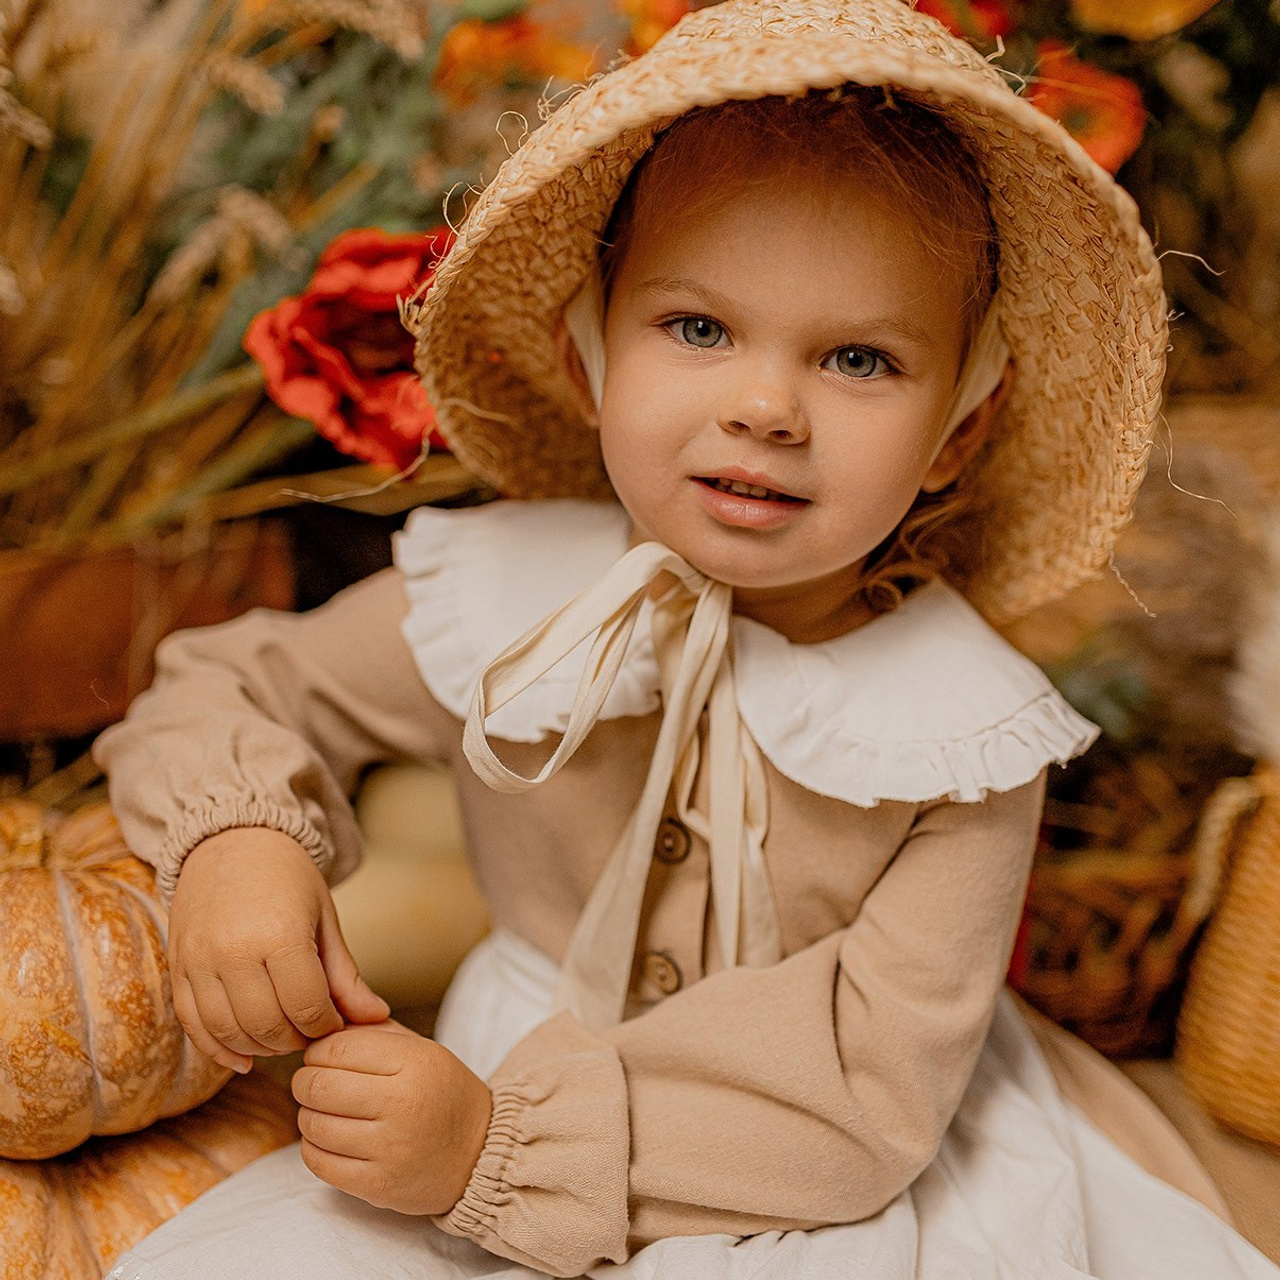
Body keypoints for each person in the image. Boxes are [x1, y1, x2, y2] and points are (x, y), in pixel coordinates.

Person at [96, 1, 1279, 1276]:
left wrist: (499, 1141)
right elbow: (234, 680)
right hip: (478, 1077)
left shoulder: (962, 742)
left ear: (955, 434)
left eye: (859, 360)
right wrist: (234, 838)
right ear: (589, 353)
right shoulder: (500, 591)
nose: (765, 407)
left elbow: (868, 1091)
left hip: (812, 1167)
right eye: (698, 329)